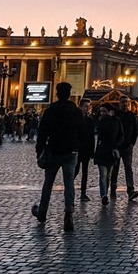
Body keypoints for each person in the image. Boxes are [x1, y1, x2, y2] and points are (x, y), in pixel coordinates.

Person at [33, 82, 82, 231]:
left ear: (56, 93)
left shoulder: (50, 111)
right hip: (70, 153)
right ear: (69, 94)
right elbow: (82, 132)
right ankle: (69, 215)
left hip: (53, 151)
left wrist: (39, 150)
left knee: (48, 183)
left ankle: (42, 212)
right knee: (69, 184)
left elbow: (42, 133)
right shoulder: (76, 111)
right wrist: (77, 148)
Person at [93, 103, 124, 206]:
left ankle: (105, 192)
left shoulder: (117, 121)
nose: (102, 113)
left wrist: (117, 145)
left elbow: (120, 135)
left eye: (104, 111)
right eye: (101, 111)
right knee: (103, 174)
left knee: (108, 175)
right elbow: (100, 131)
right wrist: (105, 119)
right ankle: (104, 195)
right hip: (101, 151)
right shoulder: (100, 121)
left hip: (111, 152)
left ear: (111, 111)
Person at [111, 96, 138, 201]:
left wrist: (132, 143)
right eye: (123, 102)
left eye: (126, 102)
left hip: (128, 146)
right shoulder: (116, 116)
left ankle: (130, 190)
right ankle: (113, 189)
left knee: (129, 169)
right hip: (117, 146)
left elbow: (135, 130)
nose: (125, 104)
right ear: (119, 103)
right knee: (115, 169)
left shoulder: (132, 116)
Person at [74, 99, 94, 202]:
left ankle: (83, 193)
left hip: (86, 149)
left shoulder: (90, 120)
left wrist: (92, 151)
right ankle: (69, 189)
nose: (87, 108)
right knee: (75, 171)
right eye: (86, 106)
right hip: (77, 149)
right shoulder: (75, 119)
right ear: (80, 107)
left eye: (89, 107)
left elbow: (91, 137)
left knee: (85, 172)